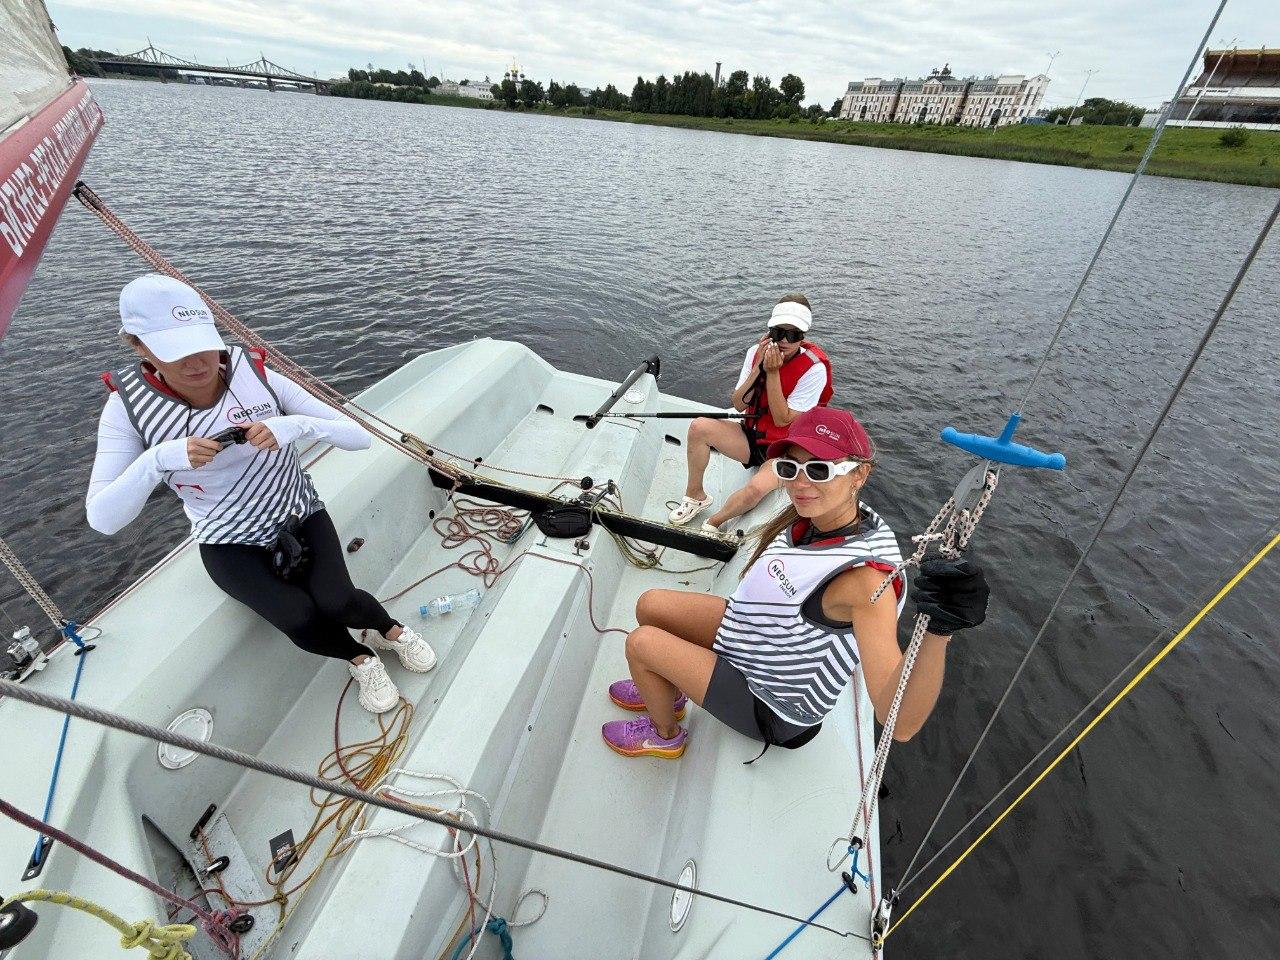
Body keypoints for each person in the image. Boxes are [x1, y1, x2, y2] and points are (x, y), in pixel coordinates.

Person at [85, 274, 434, 714]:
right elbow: (102, 518)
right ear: (139, 346)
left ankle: (392, 631)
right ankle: (358, 658)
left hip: (298, 514)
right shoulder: (126, 411)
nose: (196, 362)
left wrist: (295, 426)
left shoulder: (256, 375)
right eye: (175, 351)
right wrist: (157, 459)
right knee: (297, 618)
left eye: (201, 344)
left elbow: (358, 437)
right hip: (227, 539)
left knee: (339, 600)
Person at [603, 407, 989, 759]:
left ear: (859, 475)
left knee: (641, 644)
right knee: (649, 604)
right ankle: (669, 692)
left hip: (772, 705)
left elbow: (899, 724)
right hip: (757, 645)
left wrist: (940, 632)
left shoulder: (865, 581)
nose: (801, 484)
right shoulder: (830, 515)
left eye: (819, 470)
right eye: (791, 468)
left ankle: (665, 735)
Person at [667, 293, 833, 533]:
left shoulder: (814, 370)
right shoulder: (755, 352)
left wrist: (773, 373)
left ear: (803, 337)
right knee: (699, 427)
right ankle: (696, 496)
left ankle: (715, 522)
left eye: (793, 335)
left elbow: (782, 419)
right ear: (769, 332)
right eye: (778, 332)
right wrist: (758, 368)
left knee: (756, 488)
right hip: (752, 436)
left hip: (783, 449)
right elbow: (738, 404)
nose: (784, 340)